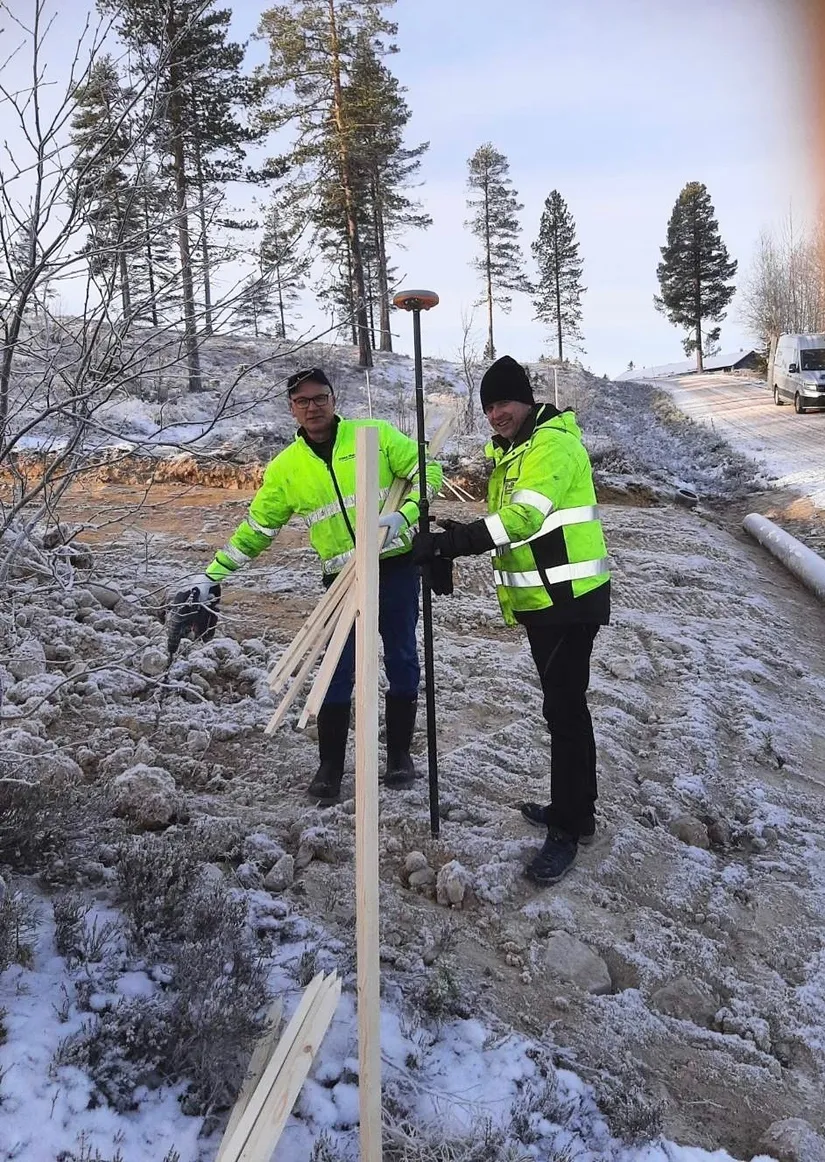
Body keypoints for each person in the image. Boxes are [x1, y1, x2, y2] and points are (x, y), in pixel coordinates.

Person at [168, 366, 443, 806]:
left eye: (319, 398)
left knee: (403, 659)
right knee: (336, 668)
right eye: (302, 402)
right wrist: (213, 573)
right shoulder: (286, 468)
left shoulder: (375, 434)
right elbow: (257, 529)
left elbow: (429, 471)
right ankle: (330, 766)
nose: (312, 407)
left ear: (334, 399)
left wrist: (404, 516)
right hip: (341, 580)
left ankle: (399, 757)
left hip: (394, 567)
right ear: (292, 409)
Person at [411, 355, 610, 885]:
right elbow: (510, 527)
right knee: (563, 709)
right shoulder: (514, 449)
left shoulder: (551, 444)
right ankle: (576, 811)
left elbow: (523, 518)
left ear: (527, 401)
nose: (497, 413)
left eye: (504, 402)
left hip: (568, 601)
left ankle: (569, 829)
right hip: (546, 602)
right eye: (490, 405)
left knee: (565, 713)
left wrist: (452, 543)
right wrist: (451, 540)